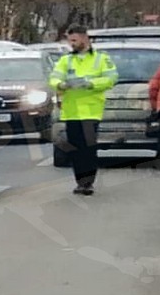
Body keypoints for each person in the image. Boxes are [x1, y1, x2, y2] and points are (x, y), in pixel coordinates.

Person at [48, 25, 119, 195]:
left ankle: (88, 182)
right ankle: (80, 181)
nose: (71, 44)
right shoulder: (66, 60)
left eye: (74, 40)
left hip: (91, 111)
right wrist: (61, 84)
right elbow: (53, 78)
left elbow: (112, 78)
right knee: (75, 148)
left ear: (85, 38)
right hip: (71, 112)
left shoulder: (101, 59)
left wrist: (90, 84)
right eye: (70, 41)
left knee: (88, 148)